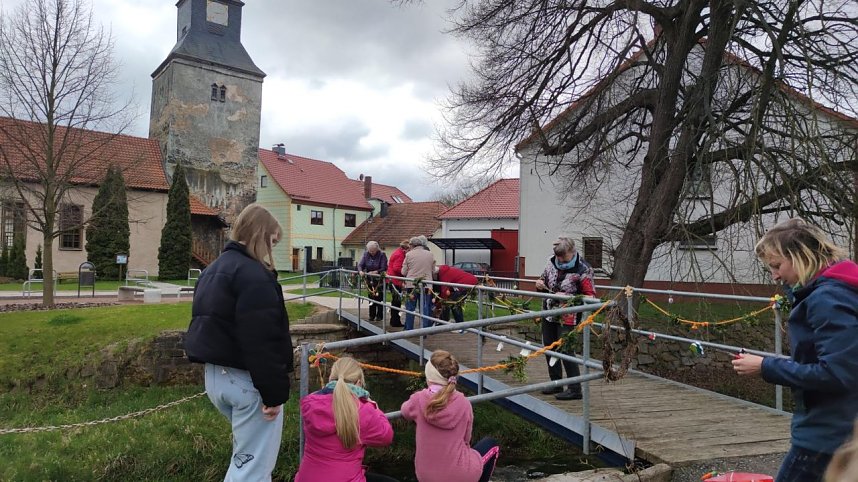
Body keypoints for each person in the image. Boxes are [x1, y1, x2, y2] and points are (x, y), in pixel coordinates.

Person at [732, 218, 858, 482]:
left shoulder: (827, 299)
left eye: (777, 266)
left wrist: (765, 366)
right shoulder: (835, 291)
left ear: (800, 257)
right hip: (839, 428)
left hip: (826, 433)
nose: (775, 275)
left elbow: (836, 373)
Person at [184, 203, 293, 481]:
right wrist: (273, 392)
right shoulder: (255, 276)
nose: (273, 248)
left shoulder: (212, 270)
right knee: (253, 469)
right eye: (273, 240)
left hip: (216, 377)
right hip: (247, 380)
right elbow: (261, 339)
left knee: (244, 459)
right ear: (262, 235)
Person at [401, 350, 499, 482]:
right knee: (491, 444)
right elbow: (467, 439)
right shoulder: (464, 403)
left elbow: (405, 411)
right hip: (459, 476)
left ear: (429, 376)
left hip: (425, 475)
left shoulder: (419, 399)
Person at [295, 357, 396, 482]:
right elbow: (386, 436)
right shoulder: (363, 410)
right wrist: (375, 408)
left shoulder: (311, 403)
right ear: (359, 382)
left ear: (330, 378)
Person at [534, 236, 595, 401]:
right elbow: (543, 279)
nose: (560, 260)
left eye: (563, 257)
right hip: (549, 312)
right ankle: (556, 382)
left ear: (572, 252)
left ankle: (575, 389)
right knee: (549, 347)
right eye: (558, 257)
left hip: (569, 315)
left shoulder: (584, 269)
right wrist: (539, 283)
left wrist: (568, 298)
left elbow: (590, 296)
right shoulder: (551, 262)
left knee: (566, 349)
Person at [401, 235, 436, 330]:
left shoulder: (409, 255)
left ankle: (409, 328)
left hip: (412, 284)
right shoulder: (430, 254)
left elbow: (403, 272)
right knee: (425, 307)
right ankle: (424, 329)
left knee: (410, 307)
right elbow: (433, 270)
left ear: (412, 245)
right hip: (427, 285)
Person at [358, 241, 388, 322]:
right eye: (370, 251)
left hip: (379, 280)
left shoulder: (382, 255)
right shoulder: (366, 254)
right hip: (369, 279)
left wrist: (376, 272)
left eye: (373, 251)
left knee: (379, 298)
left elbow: (384, 267)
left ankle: (379, 316)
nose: (371, 253)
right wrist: (360, 271)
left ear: (377, 249)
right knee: (371, 298)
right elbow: (360, 265)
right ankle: (371, 315)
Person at [386, 240, 410, 327]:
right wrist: (405, 273)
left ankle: (394, 320)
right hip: (395, 281)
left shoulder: (397, 252)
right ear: (405, 248)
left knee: (395, 301)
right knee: (396, 302)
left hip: (392, 279)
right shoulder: (400, 255)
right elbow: (396, 268)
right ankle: (395, 321)